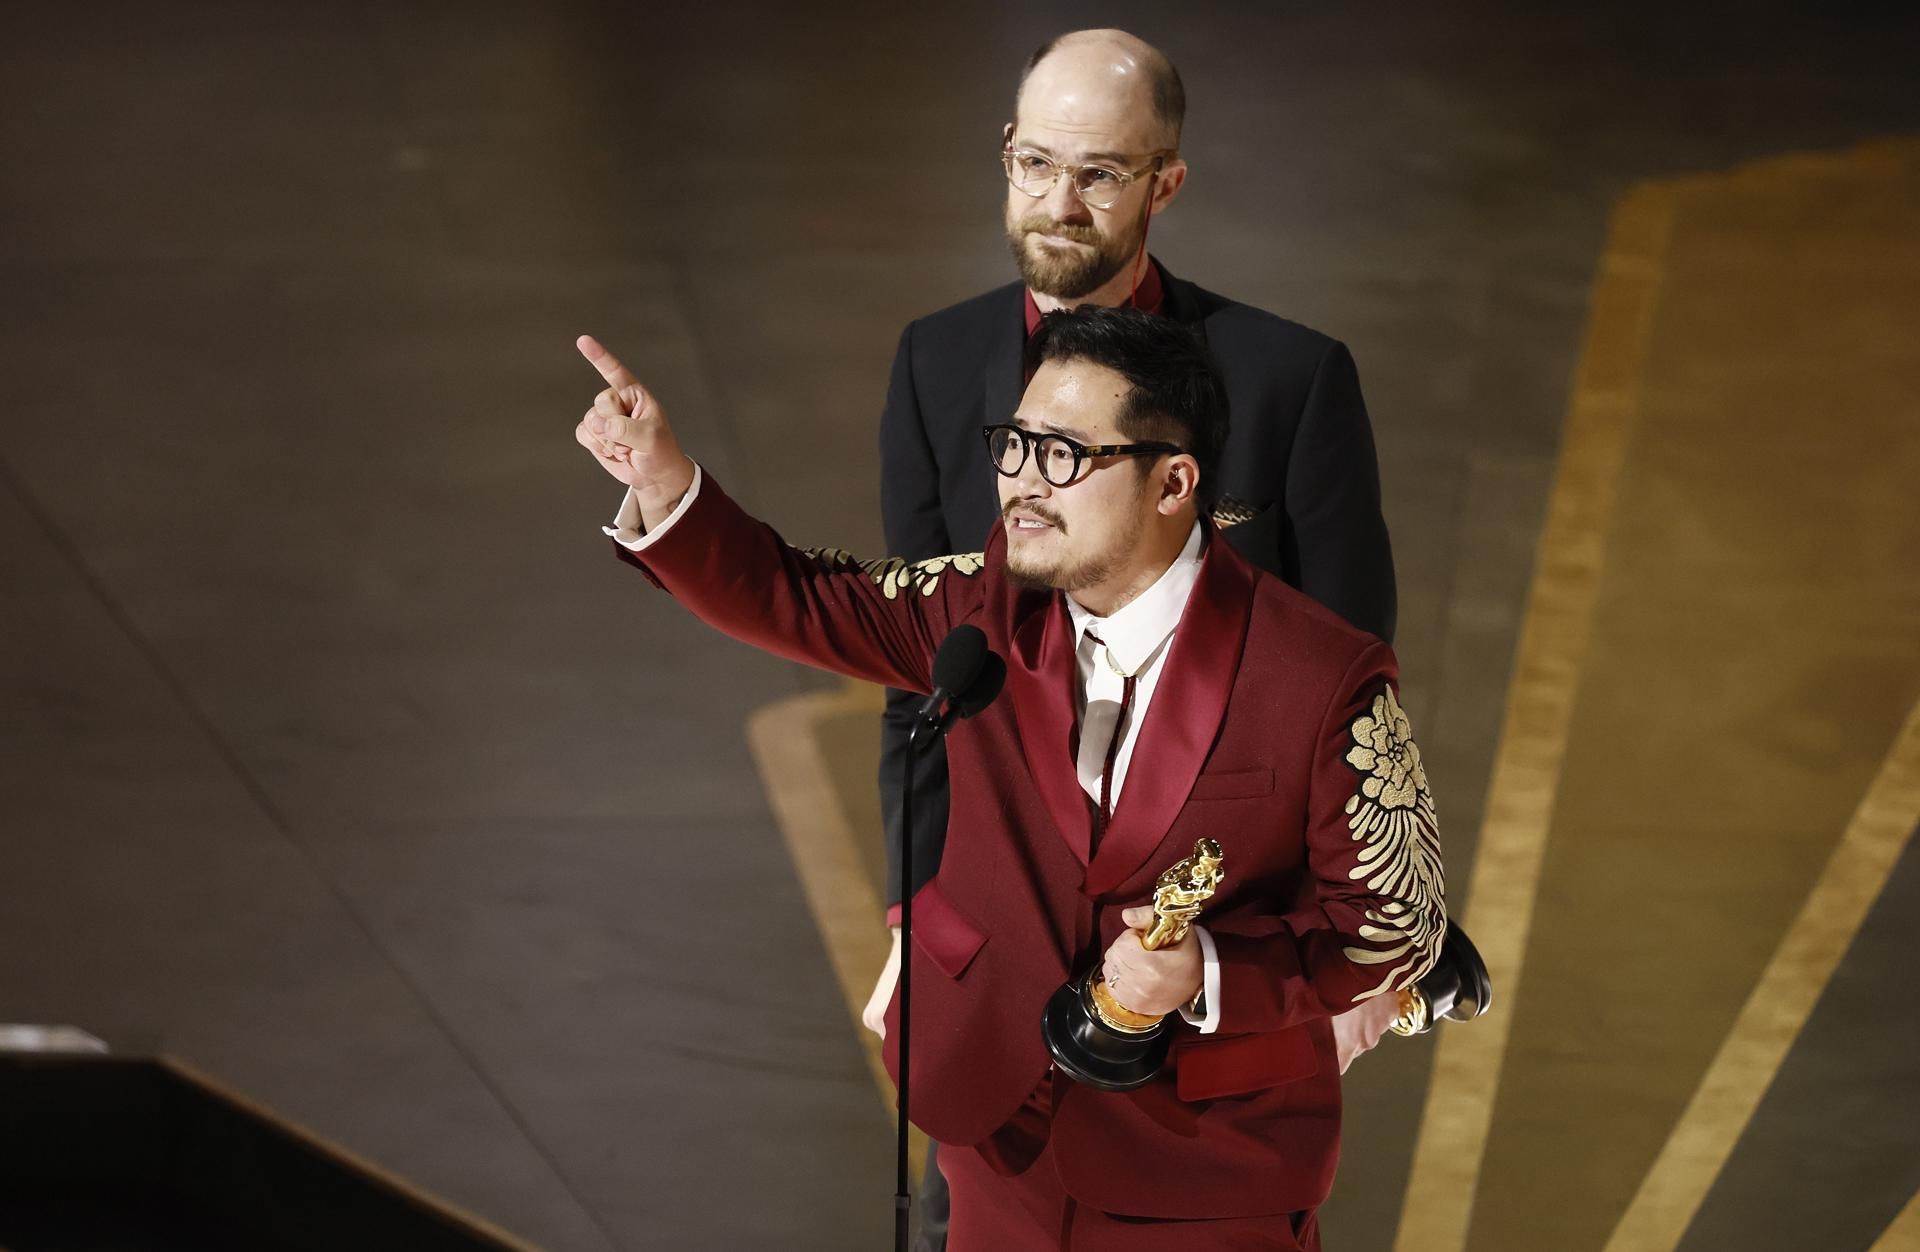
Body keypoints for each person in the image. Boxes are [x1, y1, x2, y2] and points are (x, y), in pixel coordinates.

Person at [574, 305, 1444, 1250]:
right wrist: (661, 481)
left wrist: (1207, 972)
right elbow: (803, 597)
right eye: (1016, 445)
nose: (1023, 484)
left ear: (1174, 483)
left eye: (1065, 454)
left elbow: (1396, 929)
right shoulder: (990, 605)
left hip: (1207, 1177)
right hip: (1000, 1142)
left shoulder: (1322, 676)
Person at [870, 33, 1398, 1242]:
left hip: (1205, 957)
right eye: (1035, 163)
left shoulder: (1290, 378)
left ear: (1167, 184)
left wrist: (1360, 962)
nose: (1060, 202)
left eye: (1100, 174)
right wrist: (913, 913)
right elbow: (924, 684)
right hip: (1000, 945)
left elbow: (1360, 688)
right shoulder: (933, 362)